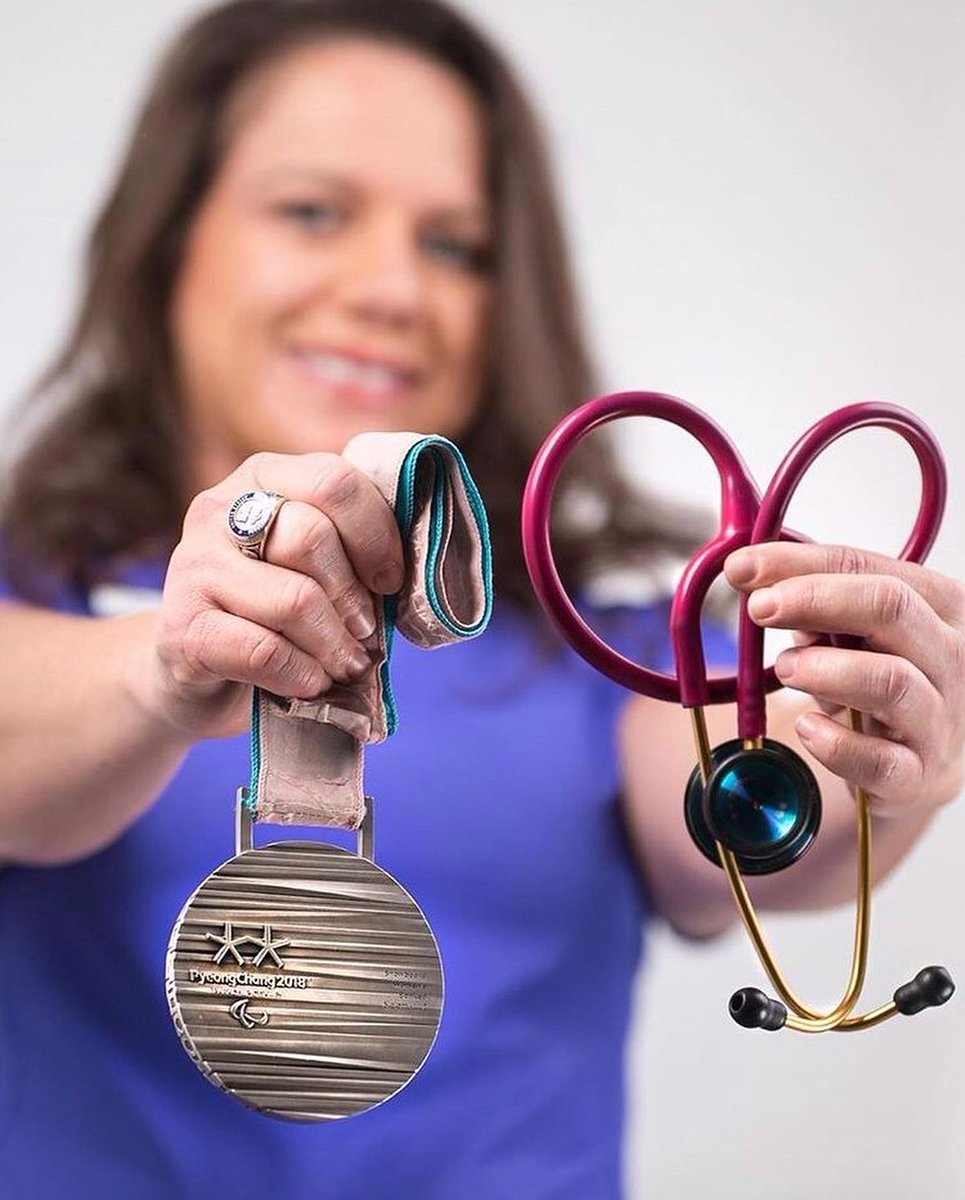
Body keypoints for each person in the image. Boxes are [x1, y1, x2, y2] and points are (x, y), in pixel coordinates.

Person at [0, 1, 962, 1196]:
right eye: (314, 212)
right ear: (168, 239)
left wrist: (868, 743)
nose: (393, 288)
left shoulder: (615, 651)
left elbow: (755, 836)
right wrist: (164, 665)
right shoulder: (20, 595)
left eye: (456, 245)